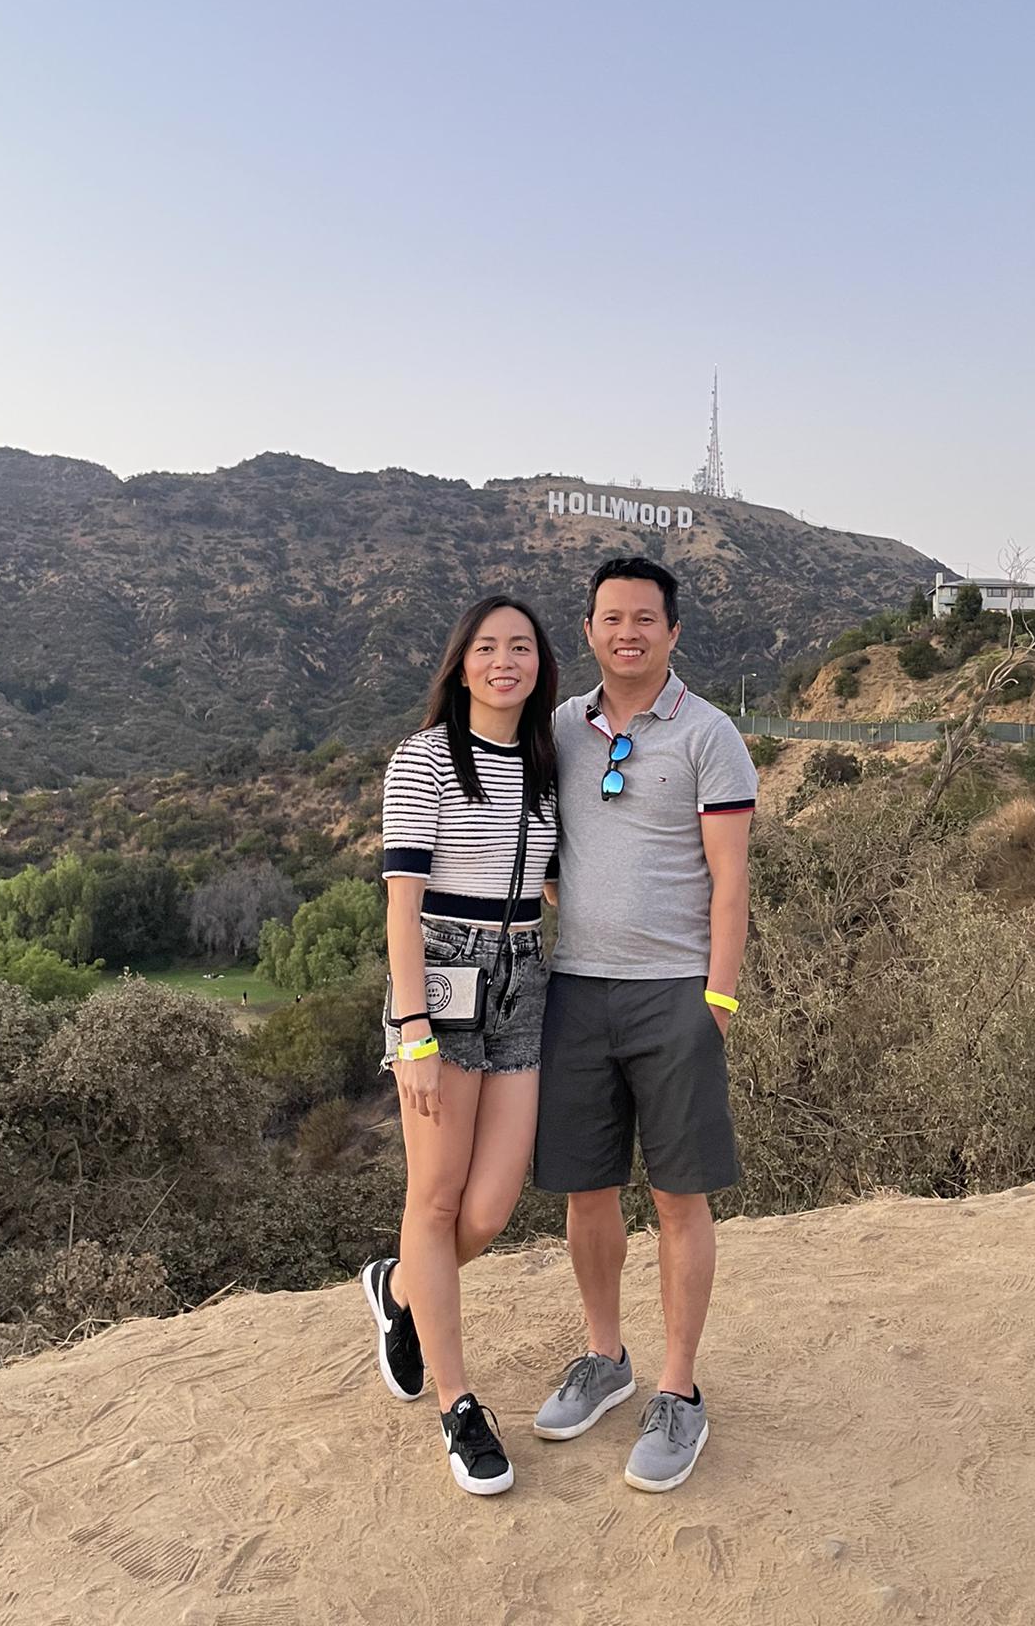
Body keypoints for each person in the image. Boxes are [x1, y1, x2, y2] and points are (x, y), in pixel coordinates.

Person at [531, 555, 756, 1492]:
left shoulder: (709, 734)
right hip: (575, 991)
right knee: (587, 1191)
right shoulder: (558, 729)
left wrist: (719, 999)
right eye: (612, 618)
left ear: (673, 632)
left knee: (677, 1198)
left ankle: (678, 1391)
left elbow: (732, 879)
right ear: (588, 630)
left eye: (645, 619)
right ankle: (605, 1358)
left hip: (675, 994)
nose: (628, 633)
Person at [361, 594, 560, 1497]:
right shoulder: (426, 757)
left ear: (540, 664)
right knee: (437, 1198)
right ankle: (459, 1406)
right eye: (487, 647)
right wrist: (413, 1032)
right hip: (443, 978)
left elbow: (554, 882)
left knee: (488, 1209)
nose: (503, 661)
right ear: (461, 662)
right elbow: (402, 908)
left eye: (520, 647)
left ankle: (399, 1289)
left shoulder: (546, 762)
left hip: (524, 976)